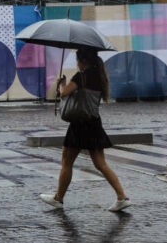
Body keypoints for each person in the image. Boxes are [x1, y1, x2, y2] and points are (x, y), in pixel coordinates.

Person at [40, 47, 131, 212]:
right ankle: (121, 197)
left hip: (80, 124)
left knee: (67, 161)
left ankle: (58, 199)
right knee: (101, 164)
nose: (77, 64)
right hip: (94, 123)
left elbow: (64, 93)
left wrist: (61, 85)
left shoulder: (81, 77)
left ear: (83, 61)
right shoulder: (99, 76)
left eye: (77, 61)